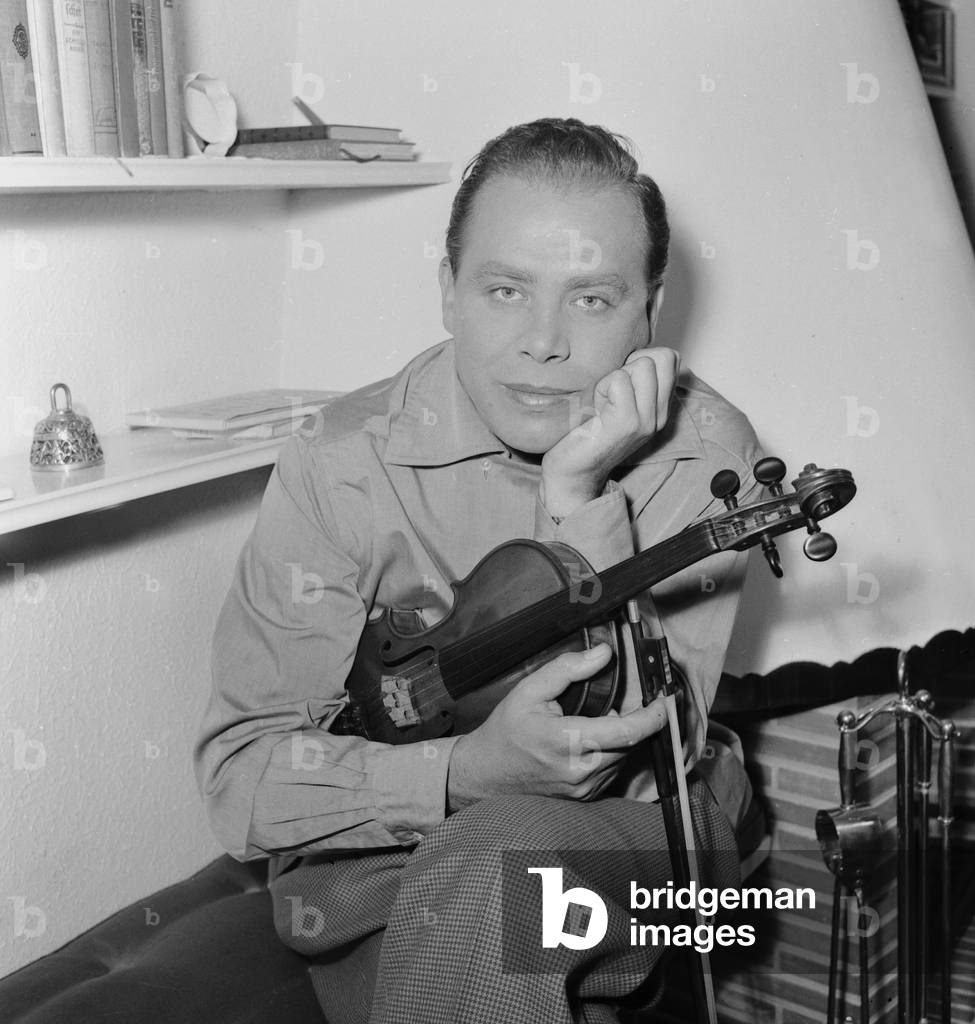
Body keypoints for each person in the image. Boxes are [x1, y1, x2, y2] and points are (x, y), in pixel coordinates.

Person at [195, 117, 764, 1024]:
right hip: (382, 869)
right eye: (504, 290)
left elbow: (654, 762)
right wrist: (458, 772)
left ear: (649, 311)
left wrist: (580, 497)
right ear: (449, 294)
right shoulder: (340, 461)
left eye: (591, 299)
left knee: (502, 869)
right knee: (481, 905)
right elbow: (241, 773)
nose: (542, 342)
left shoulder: (706, 458)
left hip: (643, 838)